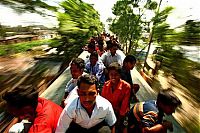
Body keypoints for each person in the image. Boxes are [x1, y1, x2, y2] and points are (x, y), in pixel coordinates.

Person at [101, 62, 131, 132]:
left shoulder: (126, 86)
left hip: (119, 113)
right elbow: (103, 101)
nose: (113, 77)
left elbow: (124, 105)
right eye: (111, 74)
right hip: (108, 111)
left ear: (120, 75)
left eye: (116, 74)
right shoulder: (106, 85)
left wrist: (119, 120)